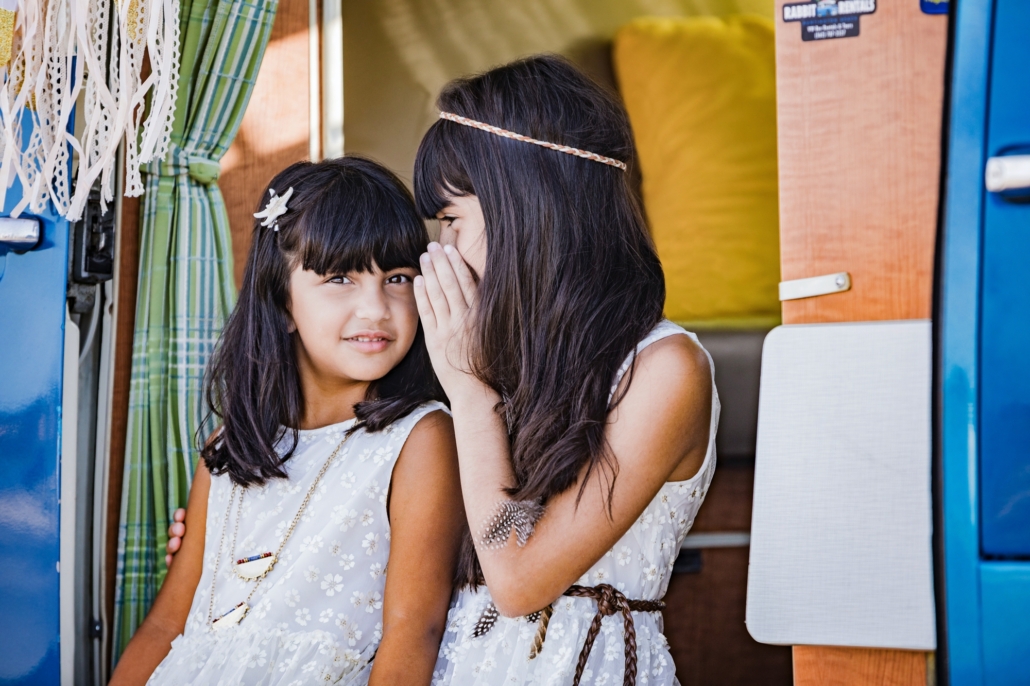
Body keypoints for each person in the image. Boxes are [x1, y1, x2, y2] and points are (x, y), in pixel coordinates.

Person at [412, 55, 719, 685]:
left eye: (452, 220)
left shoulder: (664, 371)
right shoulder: (500, 355)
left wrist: (473, 398)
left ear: (525, 207)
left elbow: (520, 579)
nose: (441, 252)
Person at [110, 157, 464, 686]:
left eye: (397, 278)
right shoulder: (229, 448)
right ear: (281, 300)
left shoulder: (419, 439)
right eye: (340, 277)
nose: (376, 308)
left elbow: (414, 631)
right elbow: (166, 623)